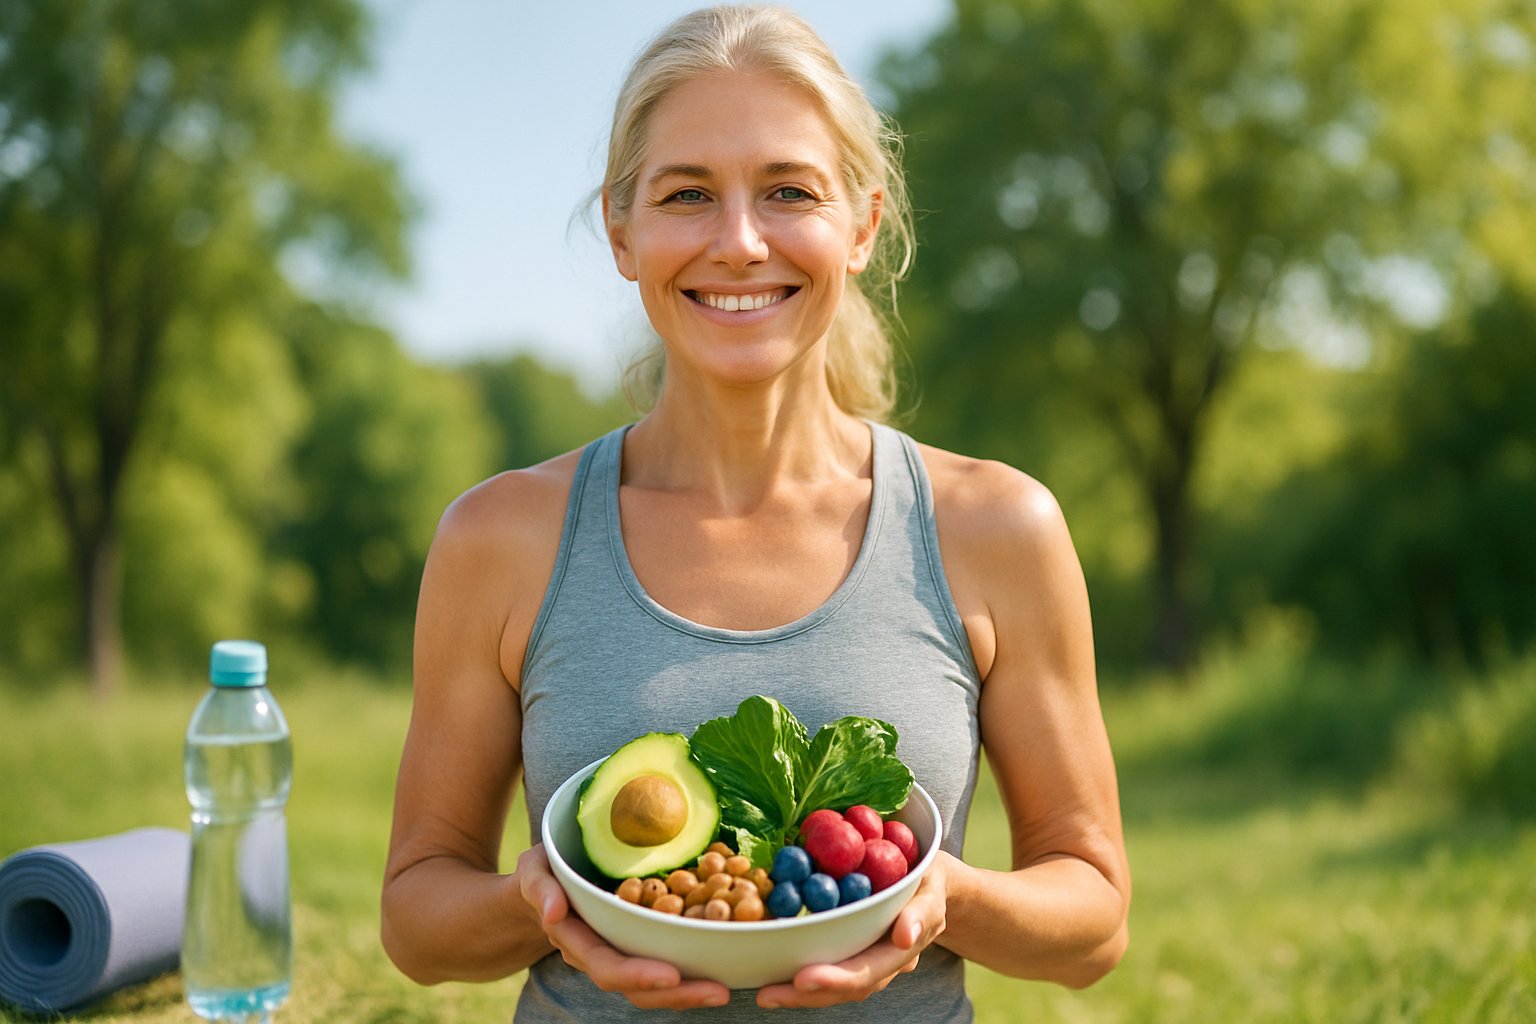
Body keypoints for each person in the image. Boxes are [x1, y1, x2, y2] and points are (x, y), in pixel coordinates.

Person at [381, 5, 1130, 1021]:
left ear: (860, 226)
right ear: (622, 230)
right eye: (688, 194)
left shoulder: (996, 527)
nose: (738, 243)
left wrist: (936, 898)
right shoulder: (501, 538)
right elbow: (418, 919)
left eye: (789, 191)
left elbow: (1092, 918)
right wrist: (553, 904)